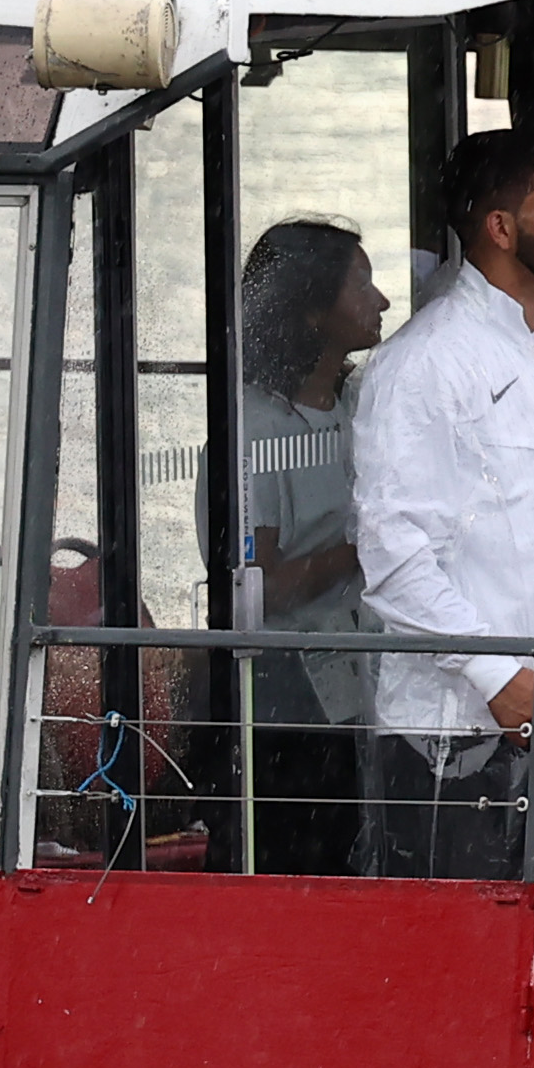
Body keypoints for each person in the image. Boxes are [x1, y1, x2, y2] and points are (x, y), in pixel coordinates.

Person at [348, 130, 534, 878]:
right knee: (457, 973)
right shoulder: (420, 364)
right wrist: (495, 676)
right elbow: (394, 560)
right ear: (500, 227)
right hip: (456, 736)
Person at [232, 216, 388, 879]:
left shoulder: (359, 404)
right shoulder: (256, 427)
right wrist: (368, 548)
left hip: (362, 677)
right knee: (309, 857)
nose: (381, 300)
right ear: (313, 314)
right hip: (289, 696)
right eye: (361, 285)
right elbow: (259, 587)